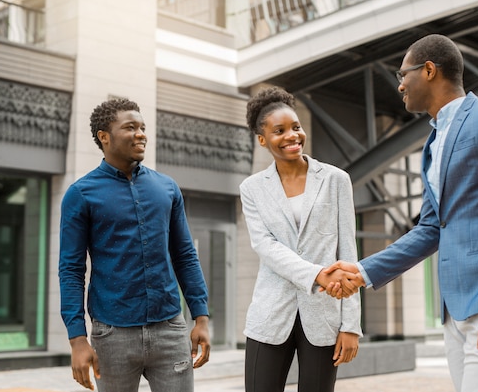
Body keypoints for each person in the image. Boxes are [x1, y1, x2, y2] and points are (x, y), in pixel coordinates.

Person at [324, 34, 478, 392]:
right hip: (455, 309)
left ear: (429, 70)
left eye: (404, 74)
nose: (400, 85)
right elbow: (430, 229)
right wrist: (363, 271)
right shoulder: (431, 144)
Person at [58, 98, 211, 392]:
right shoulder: (81, 194)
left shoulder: (167, 188)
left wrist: (201, 317)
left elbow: (185, 256)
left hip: (170, 329)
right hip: (112, 334)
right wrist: (77, 339)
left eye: (142, 127)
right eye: (130, 127)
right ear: (104, 136)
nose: (141, 134)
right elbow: (71, 270)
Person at [240, 86, 362, 392]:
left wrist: (350, 326)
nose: (292, 136)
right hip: (270, 314)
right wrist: (318, 274)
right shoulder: (252, 188)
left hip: (324, 316)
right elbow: (265, 247)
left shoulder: (336, 180)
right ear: (262, 139)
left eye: (296, 127)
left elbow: (348, 252)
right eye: (279, 131)